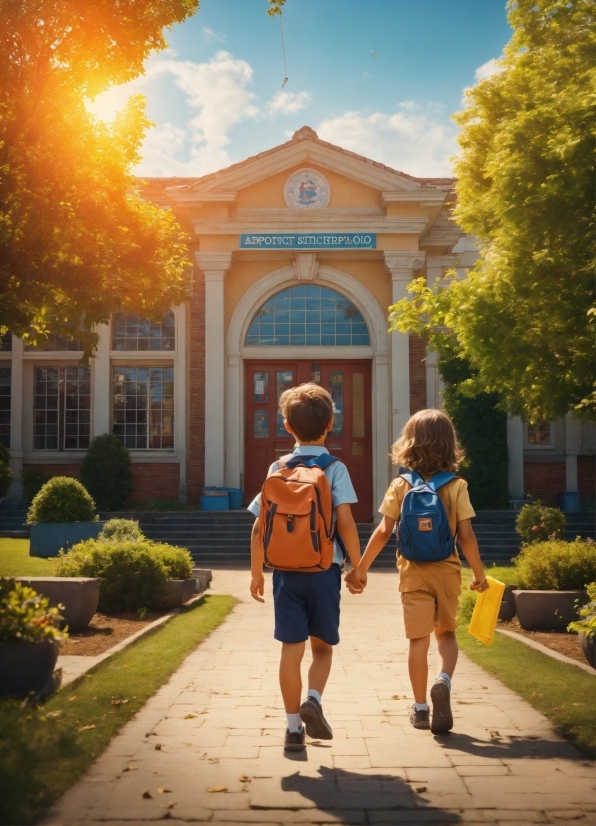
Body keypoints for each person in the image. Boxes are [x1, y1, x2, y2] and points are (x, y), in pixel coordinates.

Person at [345, 408, 488, 734]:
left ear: (409, 443)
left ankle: (421, 708)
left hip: (411, 571)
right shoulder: (456, 486)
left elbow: (383, 531)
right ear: (449, 444)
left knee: (417, 640)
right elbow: (465, 535)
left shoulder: (400, 485)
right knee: (447, 634)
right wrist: (478, 574)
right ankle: (444, 680)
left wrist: (360, 570)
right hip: (447, 570)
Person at [249, 383, 362, 752]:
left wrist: (255, 574)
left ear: (286, 425)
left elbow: (258, 527)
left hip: (284, 574)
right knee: (323, 648)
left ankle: (293, 728)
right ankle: (313, 698)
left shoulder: (276, 467)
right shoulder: (336, 468)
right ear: (330, 423)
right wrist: (356, 567)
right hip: (324, 571)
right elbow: (345, 523)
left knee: (290, 649)